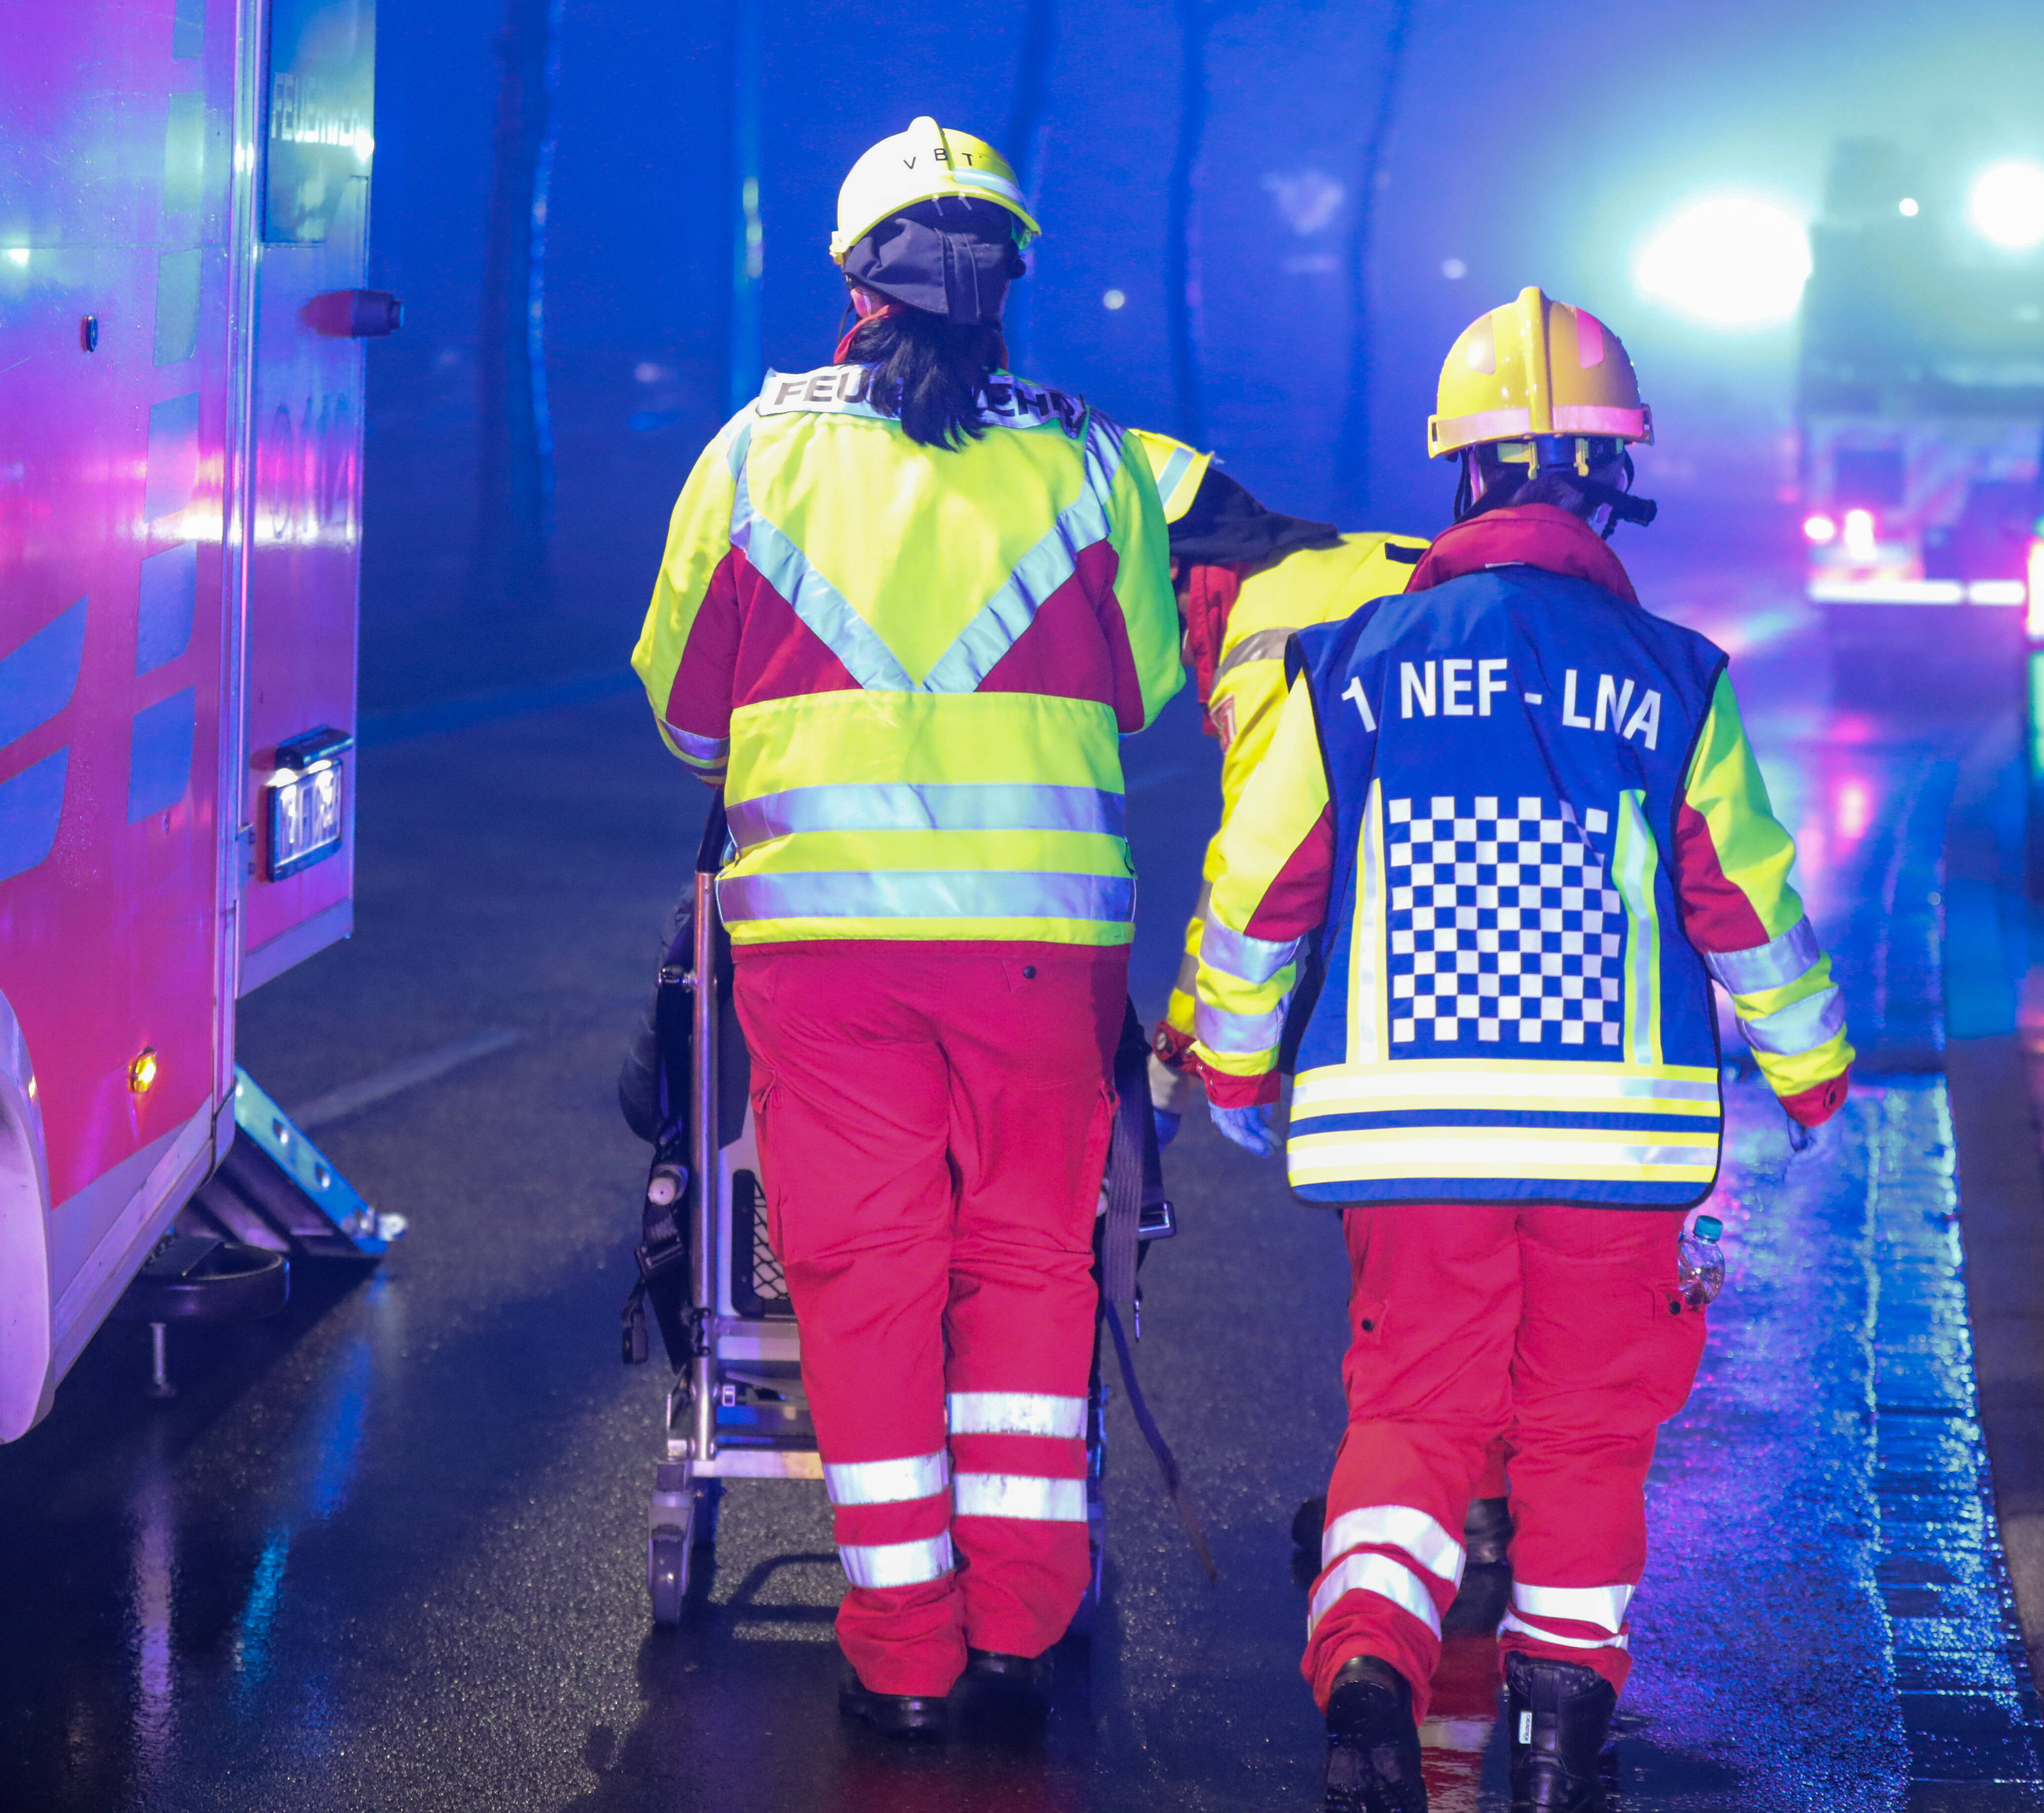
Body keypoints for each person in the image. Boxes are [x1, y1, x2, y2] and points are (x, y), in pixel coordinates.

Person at [1186, 289, 1854, 1813]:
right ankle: (1560, 1744)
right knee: (1584, 1434)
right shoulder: (1677, 677)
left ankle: (1367, 1668)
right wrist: (1810, 1075)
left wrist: (1232, 1067)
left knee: (1412, 1415)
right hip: (1613, 1148)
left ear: (1461, 473)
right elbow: (1744, 903)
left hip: (1408, 1140)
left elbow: (1261, 884)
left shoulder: (1348, 661)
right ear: (1614, 480)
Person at [631, 117, 1184, 1738]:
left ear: (850, 283)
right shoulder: (1089, 457)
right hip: (1042, 955)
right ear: (1014, 277)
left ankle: (906, 1654)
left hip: (824, 953)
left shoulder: (752, 452)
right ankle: (1024, 1618)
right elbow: (1143, 684)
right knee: (1027, 1262)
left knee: (865, 1274)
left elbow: (683, 718)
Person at [1130, 433, 1522, 1633]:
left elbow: (1257, 864)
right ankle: (1487, 1510)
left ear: (1187, 574)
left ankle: (1418, 1528)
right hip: (1532, 932)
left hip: (1424, 974)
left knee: (1412, 1275)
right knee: (1503, 1255)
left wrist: (1191, 1043)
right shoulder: (1355, 564)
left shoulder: (1267, 632)